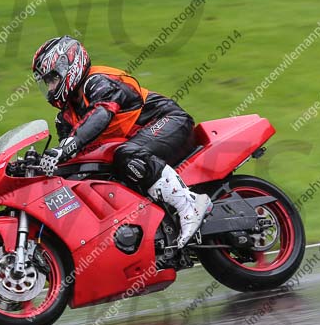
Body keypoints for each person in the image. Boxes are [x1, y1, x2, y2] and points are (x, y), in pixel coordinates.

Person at [31, 35, 212, 248]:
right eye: (47, 83)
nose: (51, 88)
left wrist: (67, 146)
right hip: (138, 142)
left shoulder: (97, 82)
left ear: (70, 66)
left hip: (169, 121)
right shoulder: (65, 117)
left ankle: (190, 205)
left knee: (127, 154)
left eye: (53, 79)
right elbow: (72, 161)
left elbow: (100, 115)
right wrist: (39, 165)